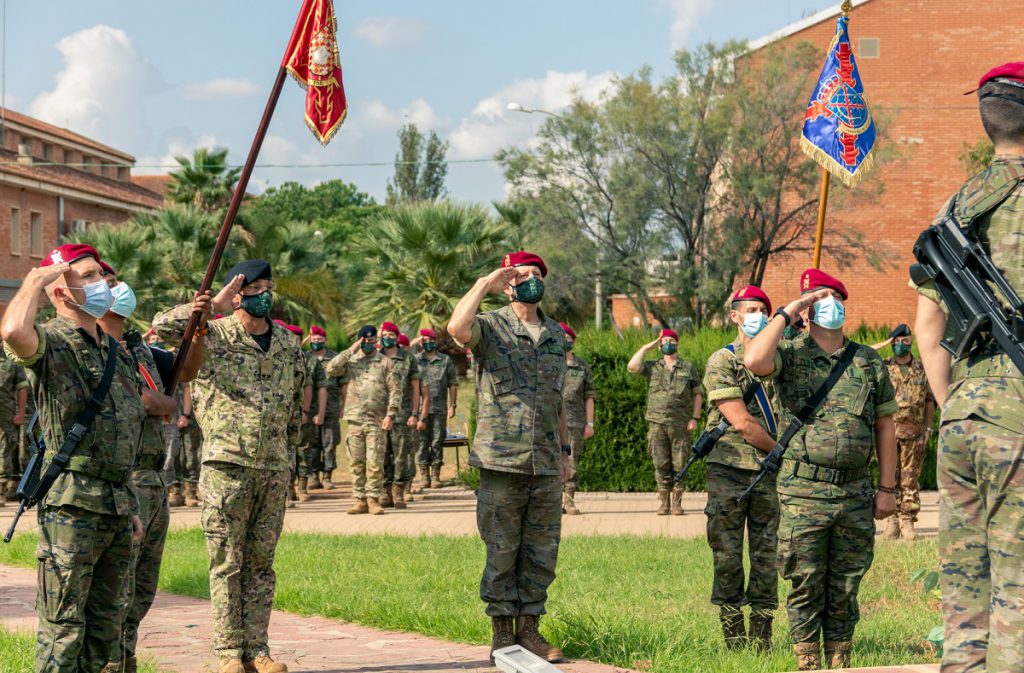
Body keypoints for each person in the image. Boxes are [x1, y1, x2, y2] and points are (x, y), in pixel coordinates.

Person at [912, 62, 1024, 673]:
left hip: (964, 414)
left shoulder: (955, 208)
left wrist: (958, 400)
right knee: (1019, 586)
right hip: (1019, 418)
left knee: (964, 586)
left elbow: (930, 336)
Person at [153, 259, 306, 673]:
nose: (265, 296)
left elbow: (295, 406)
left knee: (261, 564)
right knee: (226, 561)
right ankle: (227, 652)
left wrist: (289, 458)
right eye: (256, 288)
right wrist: (210, 306)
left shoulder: (290, 344)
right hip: (226, 463)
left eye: (269, 287)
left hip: (273, 467)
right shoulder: (212, 334)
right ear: (237, 293)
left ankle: (258, 649)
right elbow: (161, 327)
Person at [0, 243, 146, 673]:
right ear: (61, 292)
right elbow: (11, 333)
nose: (100, 282)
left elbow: (122, 432)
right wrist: (34, 279)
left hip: (116, 505)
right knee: (63, 631)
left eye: (100, 274)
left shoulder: (113, 351)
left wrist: (131, 501)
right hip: (71, 506)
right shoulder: (52, 342)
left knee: (109, 632)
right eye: (87, 276)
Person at [744, 268, 897, 670]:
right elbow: (754, 358)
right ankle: (807, 662)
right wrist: (787, 313)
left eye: (835, 298)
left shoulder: (868, 361)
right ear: (807, 310)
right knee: (805, 580)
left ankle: (840, 658)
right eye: (819, 299)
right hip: (803, 490)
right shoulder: (789, 354)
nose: (829, 305)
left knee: (847, 581)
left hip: (854, 491)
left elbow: (885, 424)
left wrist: (887, 488)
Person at [448, 251, 570, 663]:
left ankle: (530, 630)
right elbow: (456, 328)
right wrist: (484, 284)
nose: (531, 280)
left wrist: (565, 452)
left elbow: (558, 400)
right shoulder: (491, 326)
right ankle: (502, 634)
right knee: (501, 550)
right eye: (522, 274)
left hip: (547, 461)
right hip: (501, 460)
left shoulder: (556, 334)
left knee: (541, 551)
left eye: (537, 274)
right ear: (508, 281)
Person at [96, 264, 178, 673]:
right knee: (117, 585)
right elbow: (147, 402)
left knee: (143, 586)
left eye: (117, 283)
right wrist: (165, 403)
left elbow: (180, 380)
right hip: (120, 477)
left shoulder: (140, 347)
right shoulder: (90, 349)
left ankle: (125, 659)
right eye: (108, 286)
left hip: (153, 476)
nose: (119, 291)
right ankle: (110, 661)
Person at [701, 286, 783, 651]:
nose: (758, 315)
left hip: (770, 472)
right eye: (749, 309)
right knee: (728, 555)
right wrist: (783, 451)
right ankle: (734, 639)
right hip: (730, 470)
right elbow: (742, 423)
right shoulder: (722, 361)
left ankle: (762, 639)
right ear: (734, 315)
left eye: (763, 309)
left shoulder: (780, 359)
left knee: (768, 556)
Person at [627, 328, 704, 515]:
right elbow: (632, 367)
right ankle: (664, 503)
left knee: (680, 464)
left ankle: (677, 503)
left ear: (677, 343)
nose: (668, 343)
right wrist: (646, 347)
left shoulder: (687, 367)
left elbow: (698, 394)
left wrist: (695, 417)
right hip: (657, 422)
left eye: (671, 340)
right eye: (664, 341)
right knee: (660, 463)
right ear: (660, 345)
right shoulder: (653, 366)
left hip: (680, 423)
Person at [325, 325, 398, 515]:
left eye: (371, 341)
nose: (368, 344)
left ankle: (373, 499)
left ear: (376, 341)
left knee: (374, 462)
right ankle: (360, 500)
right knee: (356, 462)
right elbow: (331, 368)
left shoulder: (385, 363)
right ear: (359, 341)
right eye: (364, 341)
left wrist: (391, 415)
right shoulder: (351, 362)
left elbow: (395, 391)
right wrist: (352, 349)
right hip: (355, 419)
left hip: (377, 420)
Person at [875, 324, 934, 541]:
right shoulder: (882, 366)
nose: (901, 344)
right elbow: (860, 354)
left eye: (905, 339)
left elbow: (929, 401)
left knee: (909, 479)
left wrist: (928, 427)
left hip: (915, 434)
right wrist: (883, 344)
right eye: (896, 340)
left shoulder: (922, 368)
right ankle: (891, 523)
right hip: (888, 435)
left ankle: (907, 521)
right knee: (888, 479)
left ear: (911, 341)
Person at [379, 321, 423, 508]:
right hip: (378, 415)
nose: (387, 337)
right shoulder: (374, 356)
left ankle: (399, 492)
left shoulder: (407, 358)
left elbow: (415, 387)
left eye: (391, 334)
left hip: (402, 416)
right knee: (381, 455)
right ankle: (384, 492)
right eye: (384, 334)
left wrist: (415, 413)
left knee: (400, 455)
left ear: (397, 337)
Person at [559, 322, 595, 516]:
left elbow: (589, 396)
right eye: (561, 338)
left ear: (574, 341)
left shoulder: (582, 366)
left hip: (574, 421)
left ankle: (569, 499)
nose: (565, 342)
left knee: (571, 461)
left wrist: (590, 423)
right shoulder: (549, 362)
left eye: (568, 339)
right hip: (550, 422)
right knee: (551, 461)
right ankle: (554, 501)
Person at [415, 328, 457, 491]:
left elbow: (452, 383)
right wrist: (415, 342)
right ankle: (424, 475)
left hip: (440, 408)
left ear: (436, 341)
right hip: (419, 410)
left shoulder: (445, 360)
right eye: (424, 340)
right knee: (421, 442)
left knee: (437, 441)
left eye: (430, 339)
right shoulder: (416, 360)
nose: (428, 343)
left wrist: (453, 405)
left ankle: (436, 476)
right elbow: (402, 353)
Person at [309, 325, 342, 490]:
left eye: (319, 340)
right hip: (310, 407)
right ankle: (314, 475)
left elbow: (343, 382)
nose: (316, 342)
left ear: (325, 341)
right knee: (312, 443)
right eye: (313, 340)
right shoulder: (306, 358)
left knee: (330, 443)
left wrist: (343, 405)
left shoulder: (334, 358)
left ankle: (328, 476)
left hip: (331, 407)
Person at [0, 345, 29, 504]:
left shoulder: (11, 360)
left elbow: (22, 387)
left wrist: (20, 413)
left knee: (5, 449)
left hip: (6, 415)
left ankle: (1, 492)